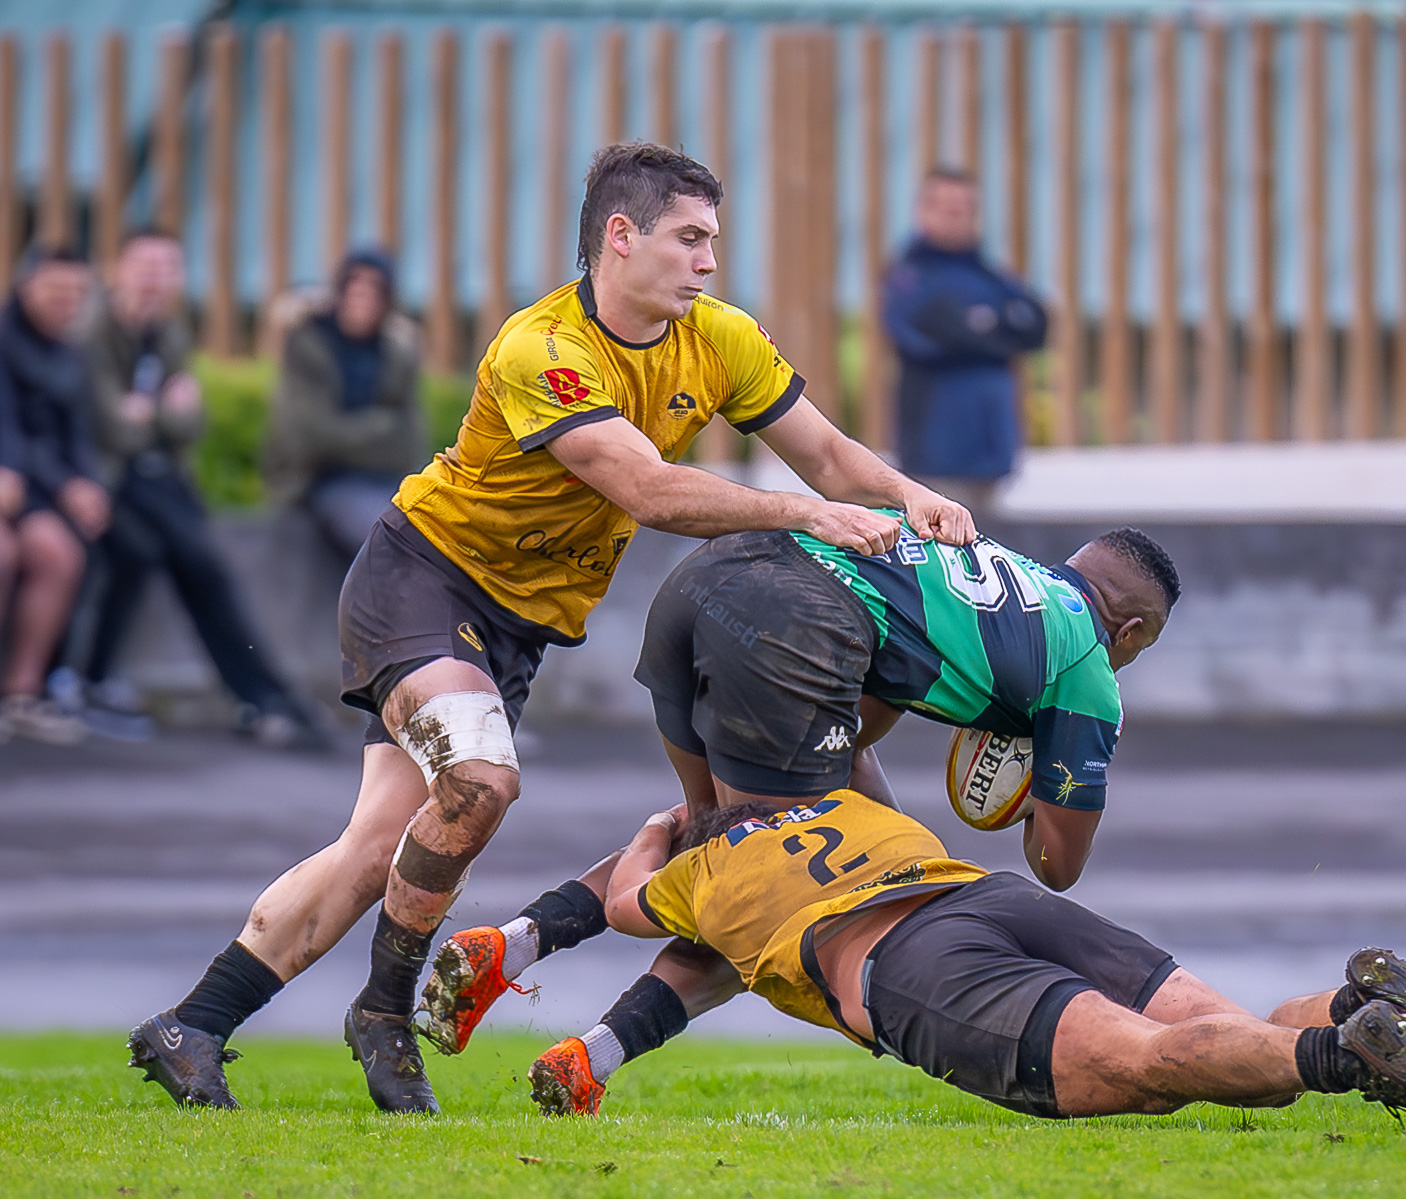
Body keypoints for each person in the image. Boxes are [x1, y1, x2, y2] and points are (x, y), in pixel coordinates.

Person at [126, 142, 973, 1115]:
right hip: (424, 577)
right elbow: (645, 487)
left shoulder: (722, 338)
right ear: (621, 236)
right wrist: (806, 515)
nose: (707, 260)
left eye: (714, 241)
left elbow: (823, 452)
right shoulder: (545, 347)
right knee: (481, 780)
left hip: (517, 625)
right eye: (688, 238)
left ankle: (195, 1020)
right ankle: (383, 1009)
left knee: (375, 850)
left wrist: (908, 494)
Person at [416, 519, 1180, 1059]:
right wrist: (1038, 763)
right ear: (1135, 628)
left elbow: (853, 735)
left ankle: (508, 945)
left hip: (702, 582)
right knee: (781, 882)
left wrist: (885, 819)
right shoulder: (1084, 667)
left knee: (717, 831)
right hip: (792, 620)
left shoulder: (986, 572)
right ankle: (599, 1049)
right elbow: (1056, 863)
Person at [524, 793, 1406, 1130]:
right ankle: (1349, 1005)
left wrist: (659, 831)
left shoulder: (706, 870)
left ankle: (1347, 1054)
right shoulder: (852, 807)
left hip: (913, 962)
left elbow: (618, 902)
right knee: (1214, 1033)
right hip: (994, 893)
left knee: (1154, 1073)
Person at [74, 227, 316, 747]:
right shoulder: (92, 332)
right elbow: (110, 427)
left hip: (155, 476)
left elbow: (190, 423)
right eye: (145, 267)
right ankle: (261, 697)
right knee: (155, 553)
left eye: (166, 269)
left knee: (200, 562)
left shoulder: (169, 334)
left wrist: (150, 415)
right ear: (119, 271)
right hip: (106, 478)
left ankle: (266, 698)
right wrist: (161, 412)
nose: (155, 281)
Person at [882, 168, 1047, 519]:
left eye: (965, 209)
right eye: (947, 208)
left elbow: (1036, 326)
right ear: (923, 212)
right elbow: (931, 336)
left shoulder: (991, 276)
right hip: (934, 457)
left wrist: (976, 328)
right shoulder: (910, 279)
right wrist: (995, 332)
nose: (958, 217)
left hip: (992, 456)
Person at [0, 246, 107, 745]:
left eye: (76, 293)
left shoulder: (70, 352)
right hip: (13, 481)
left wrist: (85, 485)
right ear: (26, 287)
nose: (67, 302)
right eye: (56, 290)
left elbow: (77, 435)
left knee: (58, 555)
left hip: (29, 489)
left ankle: (22, 695)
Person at [264, 247, 422, 562]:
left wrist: (356, 433)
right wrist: (378, 426)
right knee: (385, 538)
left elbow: (409, 442)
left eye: (373, 290)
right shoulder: (308, 345)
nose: (361, 298)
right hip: (320, 481)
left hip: (388, 483)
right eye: (354, 287)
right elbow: (311, 436)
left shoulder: (395, 355)